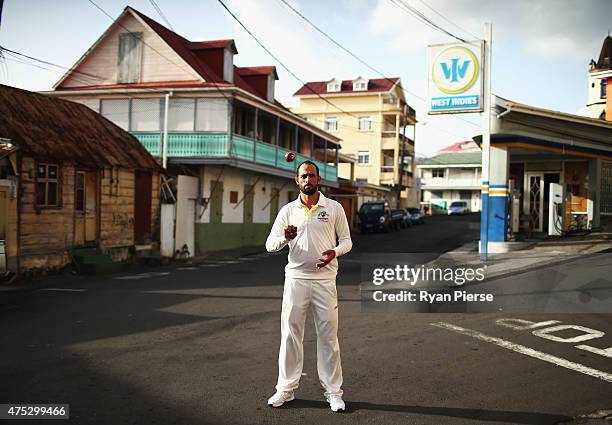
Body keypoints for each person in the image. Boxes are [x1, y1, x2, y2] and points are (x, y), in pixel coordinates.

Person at [265, 160, 352, 413]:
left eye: (311, 176)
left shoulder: (333, 208)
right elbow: (270, 244)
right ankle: (285, 389)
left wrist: (334, 252)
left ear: (318, 179)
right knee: (291, 335)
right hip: (296, 280)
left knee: (328, 338)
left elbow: (347, 241)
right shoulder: (288, 211)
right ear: (297, 180)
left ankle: (334, 393)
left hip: (325, 280)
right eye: (303, 176)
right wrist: (285, 237)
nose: (308, 180)